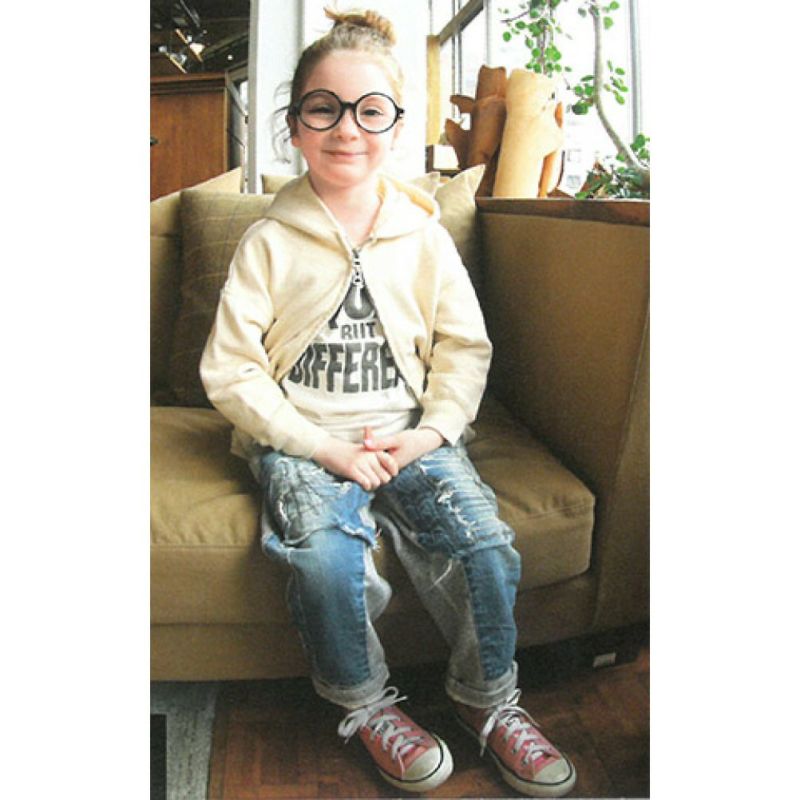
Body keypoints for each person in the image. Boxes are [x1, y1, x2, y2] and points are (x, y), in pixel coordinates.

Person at [200, 7, 576, 797]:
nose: (346, 128)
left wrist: (433, 432)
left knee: (485, 545)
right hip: (305, 441)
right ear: (295, 126)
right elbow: (231, 369)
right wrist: (319, 447)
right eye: (323, 108)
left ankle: (486, 699)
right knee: (324, 558)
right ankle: (365, 703)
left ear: (396, 128)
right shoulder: (268, 241)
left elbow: (464, 348)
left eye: (369, 111)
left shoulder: (425, 238)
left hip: (410, 435)